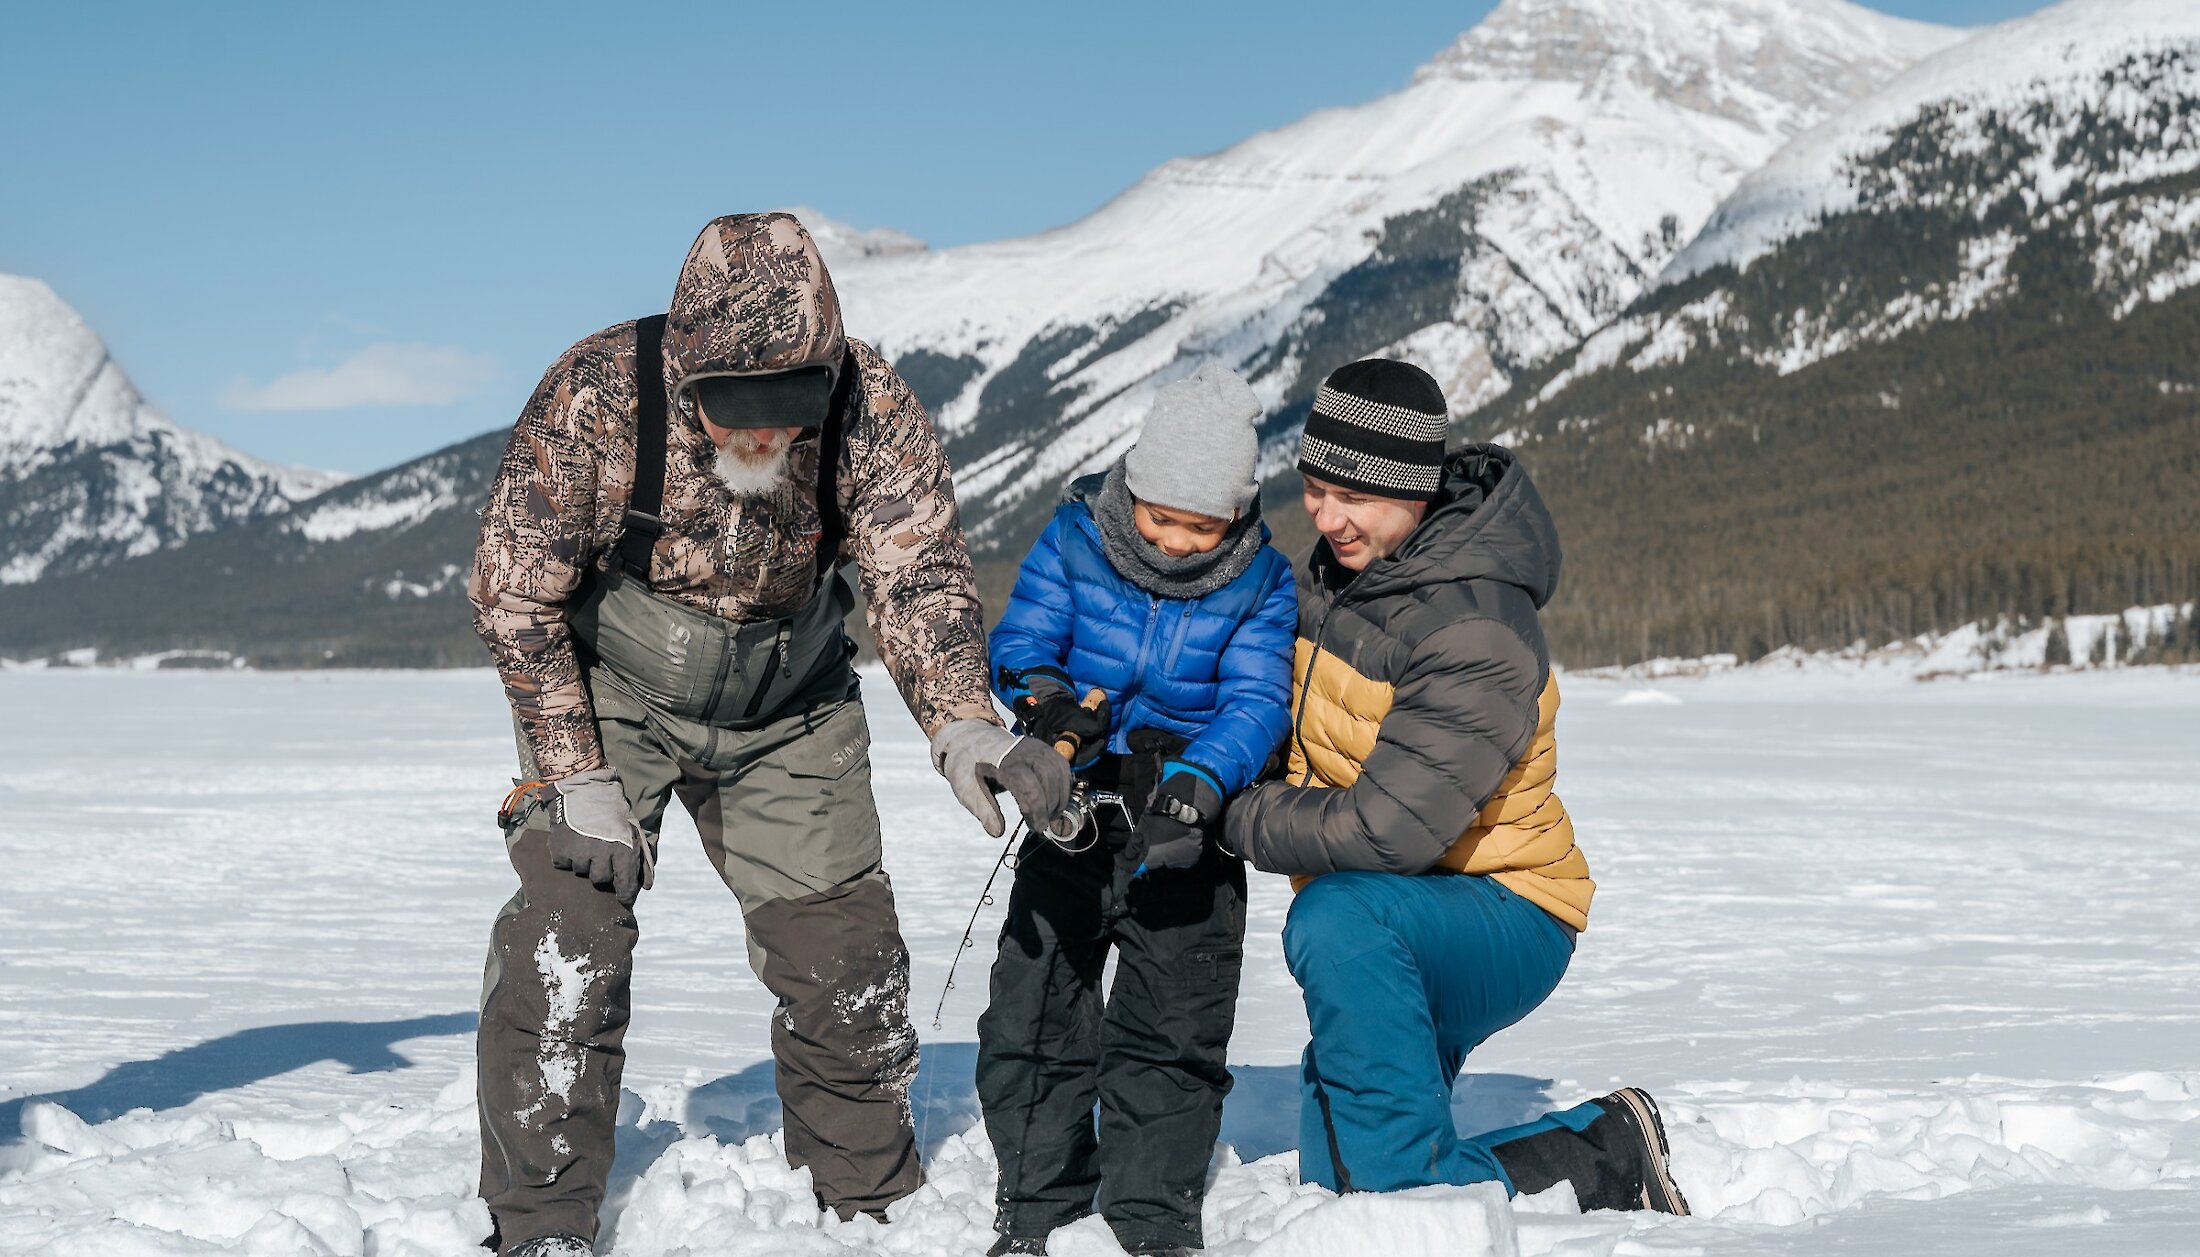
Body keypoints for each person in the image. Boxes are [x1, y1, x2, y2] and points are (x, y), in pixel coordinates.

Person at [466, 212, 1074, 1257]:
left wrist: (967, 721)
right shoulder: (597, 396)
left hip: (789, 708)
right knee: (571, 940)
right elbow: (515, 597)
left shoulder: (869, 408)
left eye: (785, 410)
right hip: (614, 697)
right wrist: (576, 774)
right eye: (732, 412)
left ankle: (869, 1211)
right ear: (688, 374)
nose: (761, 437)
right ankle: (541, 1228)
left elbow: (917, 579)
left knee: (849, 961)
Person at [1219, 359, 1691, 1214]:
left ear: (1408, 487)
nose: (1326, 516)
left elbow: (1384, 830)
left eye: (1350, 495)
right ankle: (1586, 1155)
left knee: (1388, 1178)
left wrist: (1228, 814)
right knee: (1344, 1175)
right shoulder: (1336, 577)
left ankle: (1574, 1159)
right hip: (1401, 906)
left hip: (1501, 908)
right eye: (1314, 490)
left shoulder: (1476, 626)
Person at [975, 364, 1298, 1256]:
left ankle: (1150, 1219)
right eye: (1163, 519)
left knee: (1171, 1029)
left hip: (1182, 820)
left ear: (1238, 513)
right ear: (1132, 486)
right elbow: (1027, 637)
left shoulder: (1263, 581)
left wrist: (1205, 775)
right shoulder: (1077, 540)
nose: (1181, 543)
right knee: (1033, 1015)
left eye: (1205, 526)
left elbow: (1258, 699)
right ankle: (1036, 1208)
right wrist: (1044, 703)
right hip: (1073, 806)